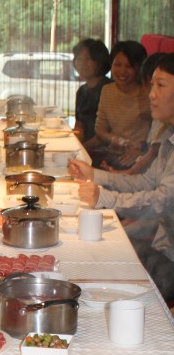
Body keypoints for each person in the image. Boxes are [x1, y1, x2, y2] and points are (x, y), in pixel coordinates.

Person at [69, 53, 174, 302]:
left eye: (160, 85)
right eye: (151, 85)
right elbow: (146, 182)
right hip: (163, 245)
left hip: (169, 259)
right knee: (90, 258)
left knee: (100, 275)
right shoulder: (168, 134)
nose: (151, 94)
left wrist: (106, 198)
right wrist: (96, 175)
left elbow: (163, 201)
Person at [92, 40, 151, 169]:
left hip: (140, 156)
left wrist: (142, 151)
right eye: (117, 64)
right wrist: (115, 139)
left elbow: (160, 134)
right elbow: (100, 129)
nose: (122, 71)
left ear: (139, 68)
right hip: (112, 154)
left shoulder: (149, 93)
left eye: (129, 66)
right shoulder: (107, 90)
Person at [71, 38, 111, 145]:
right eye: (79, 59)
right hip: (86, 147)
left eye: (88, 59)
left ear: (100, 62)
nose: (82, 63)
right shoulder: (82, 91)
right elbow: (79, 125)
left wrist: (83, 148)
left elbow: (108, 131)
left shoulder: (109, 89)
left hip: (104, 149)